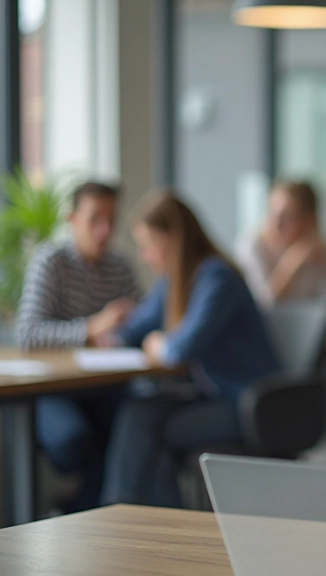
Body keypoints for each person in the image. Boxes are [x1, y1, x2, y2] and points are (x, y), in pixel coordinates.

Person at [100, 191, 280, 507]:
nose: (144, 255)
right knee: (138, 412)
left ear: (173, 239)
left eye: (148, 244)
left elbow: (182, 348)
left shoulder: (217, 277)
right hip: (209, 397)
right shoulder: (173, 282)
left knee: (149, 430)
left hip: (244, 403)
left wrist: (157, 343)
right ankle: (136, 523)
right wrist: (101, 330)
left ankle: (127, 521)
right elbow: (133, 330)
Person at [16, 181, 140, 512]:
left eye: (111, 220)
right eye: (95, 219)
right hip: (55, 387)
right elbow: (28, 332)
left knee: (135, 429)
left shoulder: (120, 266)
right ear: (72, 219)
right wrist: (89, 329)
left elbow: (142, 321)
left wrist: (129, 325)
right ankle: (74, 512)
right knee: (72, 441)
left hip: (103, 385)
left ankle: (90, 516)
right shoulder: (51, 262)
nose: (104, 230)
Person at [235, 180, 326, 317]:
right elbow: (263, 306)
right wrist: (292, 263)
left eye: (287, 216)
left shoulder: (317, 249)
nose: (276, 223)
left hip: (306, 333)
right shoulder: (252, 246)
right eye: (272, 212)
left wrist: (325, 257)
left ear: (309, 221)